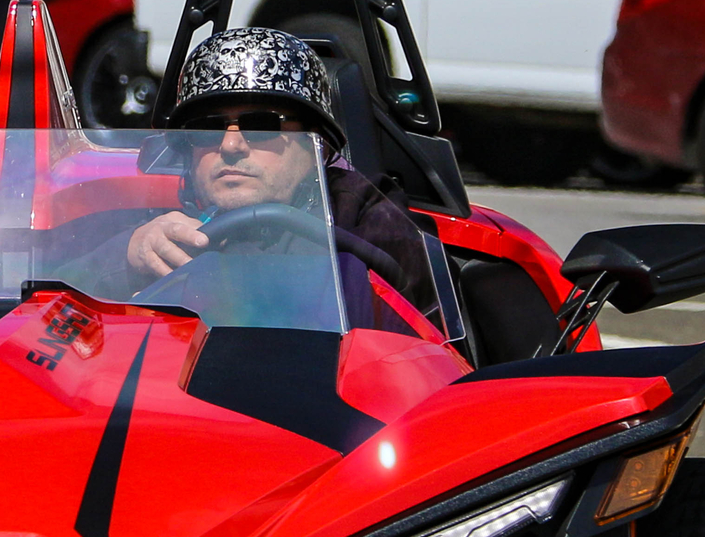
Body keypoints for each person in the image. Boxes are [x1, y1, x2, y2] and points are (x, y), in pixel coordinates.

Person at [64, 26, 436, 320]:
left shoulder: (367, 219)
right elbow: (49, 303)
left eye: (261, 124)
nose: (230, 145)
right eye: (208, 128)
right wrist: (126, 257)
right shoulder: (163, 222)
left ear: (315, 145)